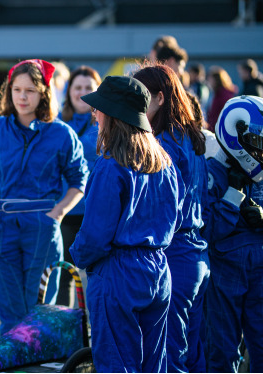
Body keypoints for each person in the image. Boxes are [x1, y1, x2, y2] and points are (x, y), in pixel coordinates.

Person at [69, 75, 182, 373]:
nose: (94, 113)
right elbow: (175, 220)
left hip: (118, 273)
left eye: (99, 108)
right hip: (158, 269)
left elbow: (94, 237)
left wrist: (79, 258)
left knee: (117, 365)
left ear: (113, 115)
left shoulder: (110, 165)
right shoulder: (164, 162)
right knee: (153, 366)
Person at [0, 59, 88, 335]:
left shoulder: (61, 134)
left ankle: (35, 362)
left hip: (42, 224)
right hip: (2, 222)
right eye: (17, 90)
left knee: (36, 309)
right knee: (9, 308)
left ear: (43, 94)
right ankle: (13, 363)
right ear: (9, 92)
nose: (22, 97)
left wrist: (60, 212)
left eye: (30, 90)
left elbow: (80, 180)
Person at [134, 63, 210, 372]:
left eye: (140, 97)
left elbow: (157, 208)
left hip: (173, 254)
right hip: (197, 253)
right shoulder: (191, 136)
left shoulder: (161, 142)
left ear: (160, 98)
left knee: (170, 354)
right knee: (195, 352)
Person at [201, 95, 263, 372]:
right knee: (222, 350)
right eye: (256, 142)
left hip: (259, 269)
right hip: (223, 272)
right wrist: (232, 198)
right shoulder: (211, 172)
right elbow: (206, 229)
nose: (260, 151)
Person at [57, 66, 101, 307]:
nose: (82, 93)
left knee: (97, 276)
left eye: (88, 88)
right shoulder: (57, 122)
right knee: (64, 273)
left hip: (95, 213)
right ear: (69, 91)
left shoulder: (106, 124)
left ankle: (97, 334)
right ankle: (69, 335)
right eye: (78, 88)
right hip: (64, 212)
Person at [206, 65, 237, 132]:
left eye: (210, 79)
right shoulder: (216, 93)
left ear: (216, 80)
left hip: (221, 132)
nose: (208, 82)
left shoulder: (224, 95)